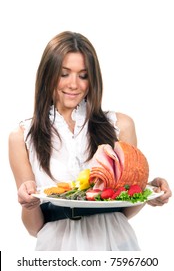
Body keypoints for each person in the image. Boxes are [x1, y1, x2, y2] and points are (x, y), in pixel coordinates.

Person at [8, 31, 172, 251]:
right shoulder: (22, 137)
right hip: (56, 248)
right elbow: (33, 228)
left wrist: (147, 192)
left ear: (92, 79)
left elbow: (126, 210)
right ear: (48, 74)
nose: (74, 84)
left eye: (83, 75)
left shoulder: (120, 126)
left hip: (115, 242)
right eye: (64, 74)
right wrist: (28, 203)